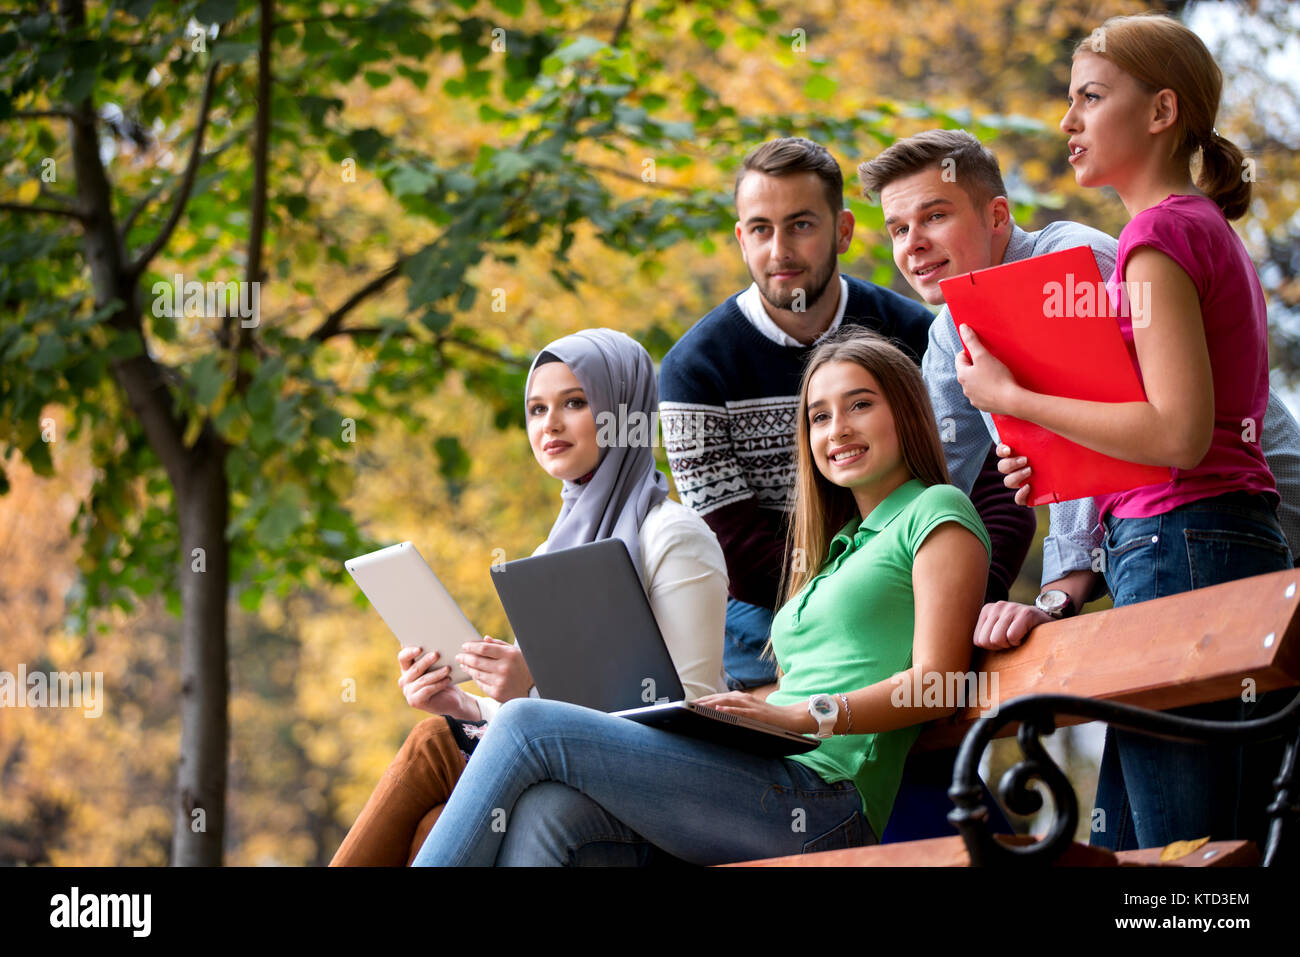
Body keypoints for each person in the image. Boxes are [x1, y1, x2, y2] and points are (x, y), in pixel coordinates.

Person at [411, 328, 992, 866]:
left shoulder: (935, 511)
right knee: (550, 812)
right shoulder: (836, 552)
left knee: (526, 726)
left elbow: (938, 684)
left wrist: (799, 714)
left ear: (907, 411)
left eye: (859, 405)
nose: (836, 429)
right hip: (762, 770)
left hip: (825, 799)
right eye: (818, 416)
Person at [956, 14, 1295, 851]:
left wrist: (1016, 397)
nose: (1067, 121)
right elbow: (1181, 428)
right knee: (1176, 857)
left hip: (1184, 548)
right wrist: (1059, 464)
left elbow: (1179, 436)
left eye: (1090, 98)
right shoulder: (1193, 228)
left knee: (1184, 868)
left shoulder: (1158, 236)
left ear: (1160, 111)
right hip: (1197, 543)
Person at [856, 127, 1300, 653]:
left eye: (934, 216)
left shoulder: (1068, 258)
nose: (913, 244)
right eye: (898, 229)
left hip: (1248, 519)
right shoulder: (948, 332)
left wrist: (1055, 596)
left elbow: (1097, 448)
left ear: (997, 216)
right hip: (1159, 540)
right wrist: (854, 593)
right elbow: (930, 474)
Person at [330, 329, 728, 866]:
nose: (550, 425)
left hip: (660, 786)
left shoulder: (675, 537)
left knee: (432, 747)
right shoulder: (551, 550)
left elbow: (693, 712)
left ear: (623, 410)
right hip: (554, 756)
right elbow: (523, 705)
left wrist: (529, 688)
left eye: (575, 403)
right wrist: (461, 702)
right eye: (537, 409)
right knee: (430, 789)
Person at [659, 136, 1036, 695]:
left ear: (843, 230)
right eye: (761, 229)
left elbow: (1001, 481)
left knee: (948, 717)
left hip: (924, 580)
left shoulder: (920, 336)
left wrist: (957, 591)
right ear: (741, 240)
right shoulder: (693, 370)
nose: (780, 249)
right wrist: (859, 596)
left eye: (801, 225)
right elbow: (730, 540)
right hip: (765, 611)